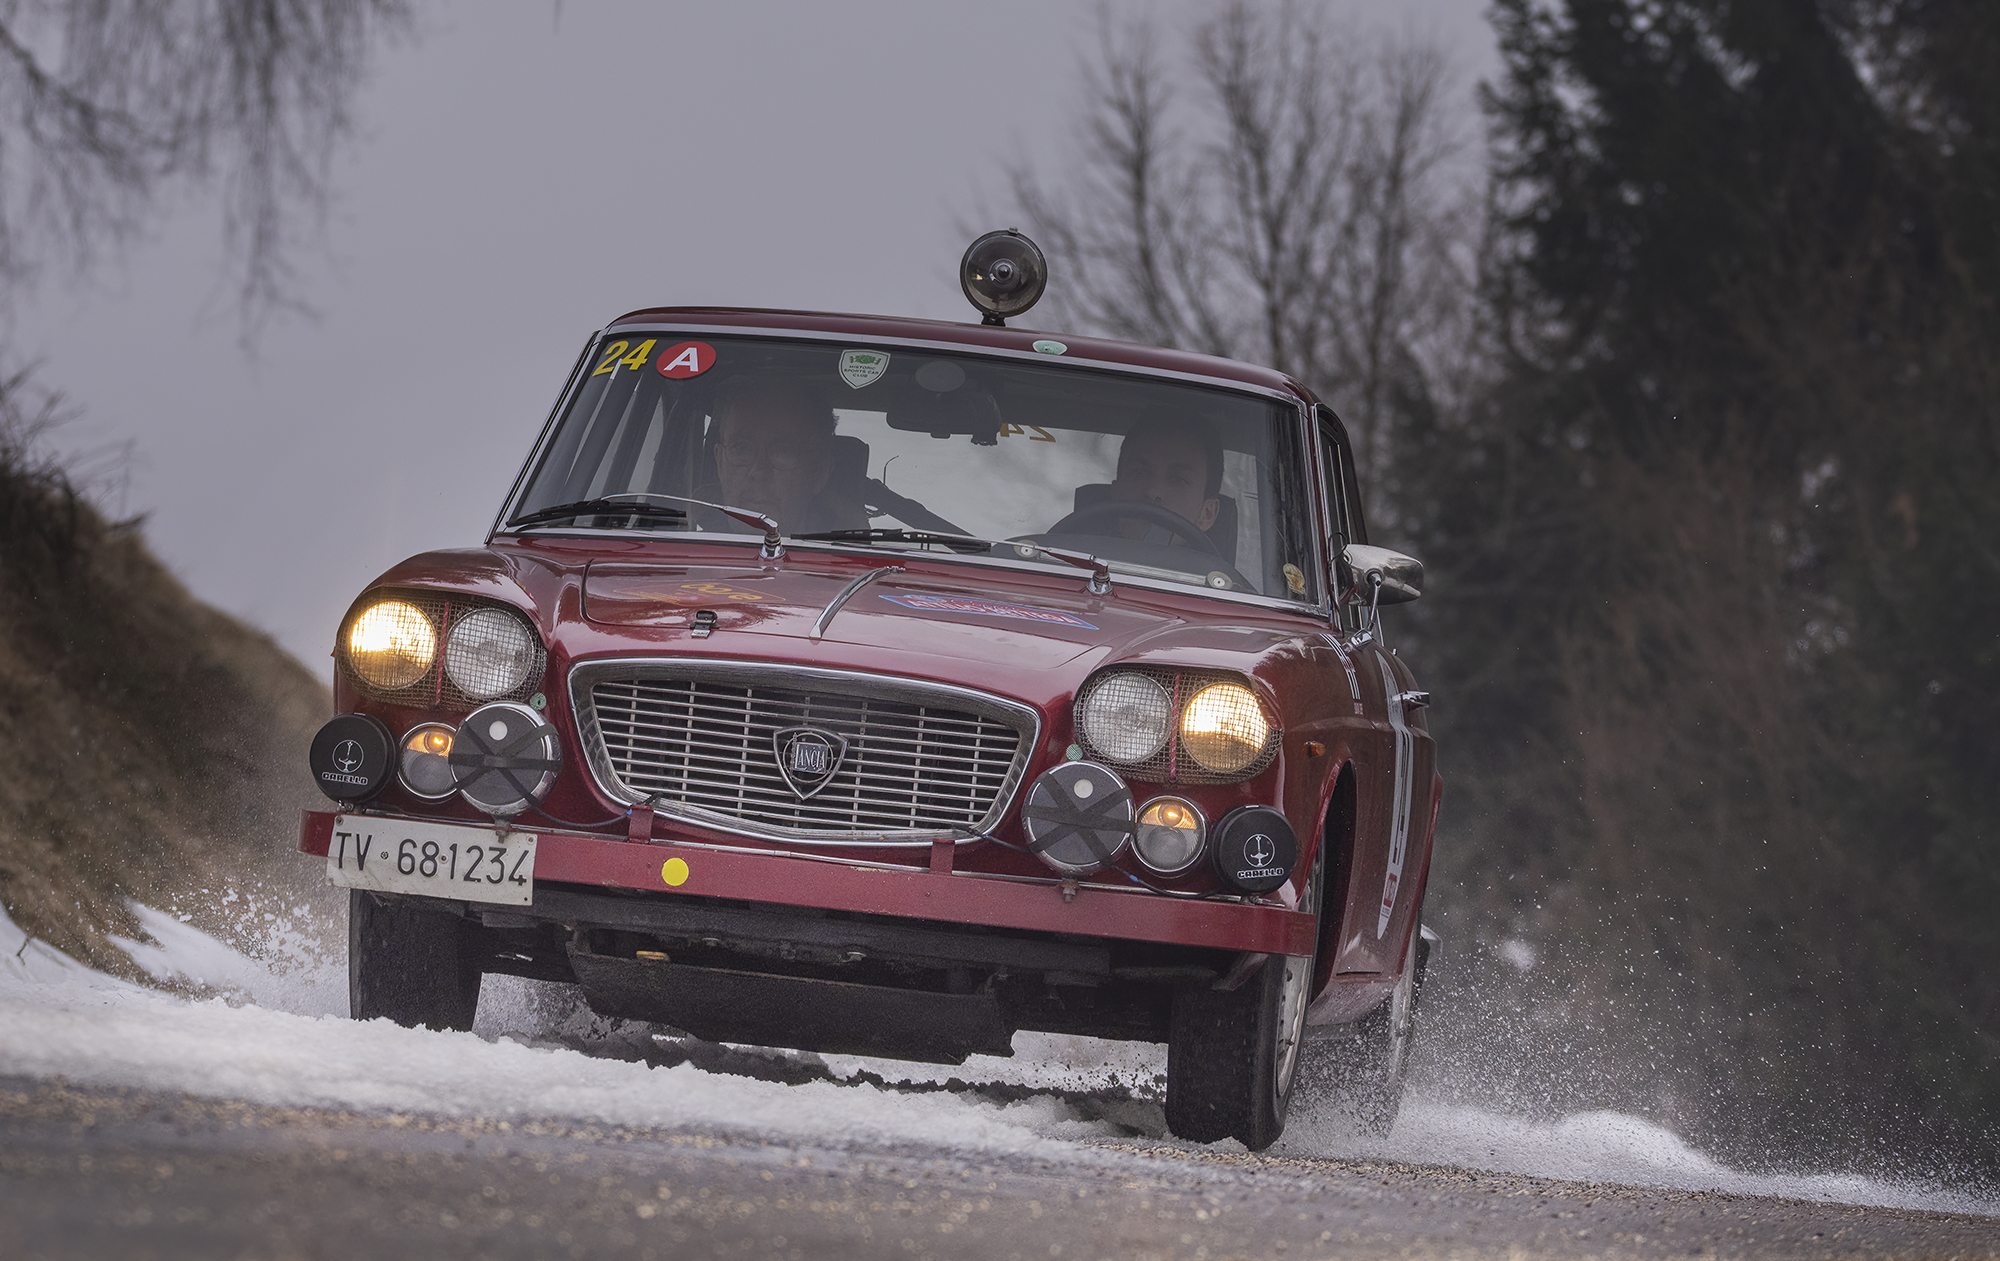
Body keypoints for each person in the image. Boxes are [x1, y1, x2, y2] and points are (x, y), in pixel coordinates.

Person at [703, 380, 848, 531]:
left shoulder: (865, 553)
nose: (758, 472)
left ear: (818, 472)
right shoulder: (681, 548)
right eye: (742, 448)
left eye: (782, 451)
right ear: (720, 462)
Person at [1104, 414, 1223, 545]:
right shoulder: (1078, 558)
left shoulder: (1215, 567)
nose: (1154, 492)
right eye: (1139, 472)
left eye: (1179, 479)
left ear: (1208, 513)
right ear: (1115, 492)